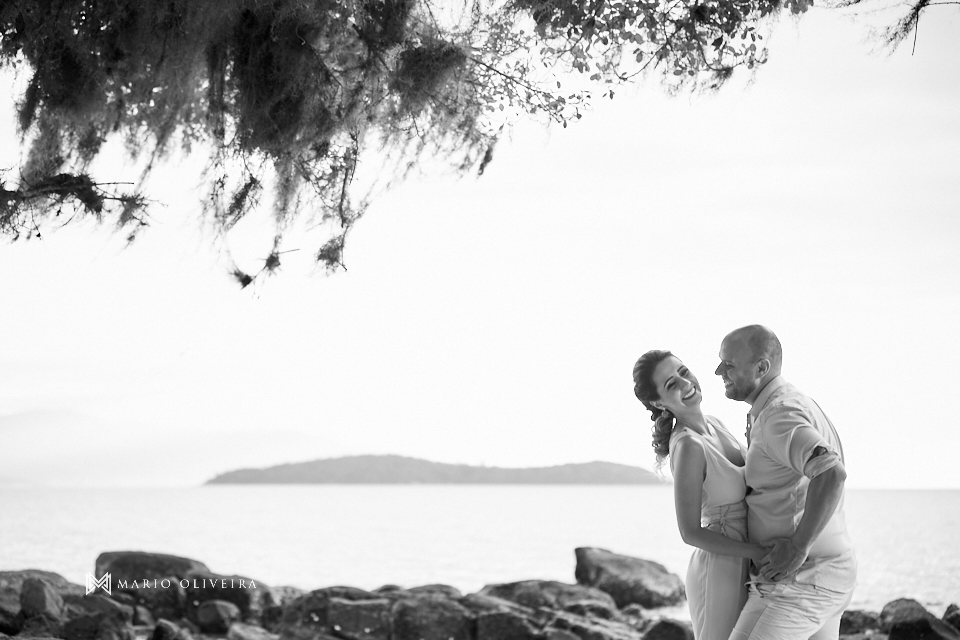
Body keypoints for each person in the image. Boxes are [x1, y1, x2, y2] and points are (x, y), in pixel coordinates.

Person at [715, 325, 857, 640]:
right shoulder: (785, 404)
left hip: (803, 580)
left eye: (729, 364)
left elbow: (831, 473)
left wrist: (797, 548)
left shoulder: (780, 415)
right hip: (811, 575)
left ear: (761, 368)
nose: (717, 371)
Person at [633, 350, 769, 640]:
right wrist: (758, 553)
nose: (685, 383)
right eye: (671, 384)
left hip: (746, 555)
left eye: (683, 372)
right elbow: (690, 532)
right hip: (721, 567)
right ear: (658, 402)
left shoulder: (716, 423)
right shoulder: (688, 446)